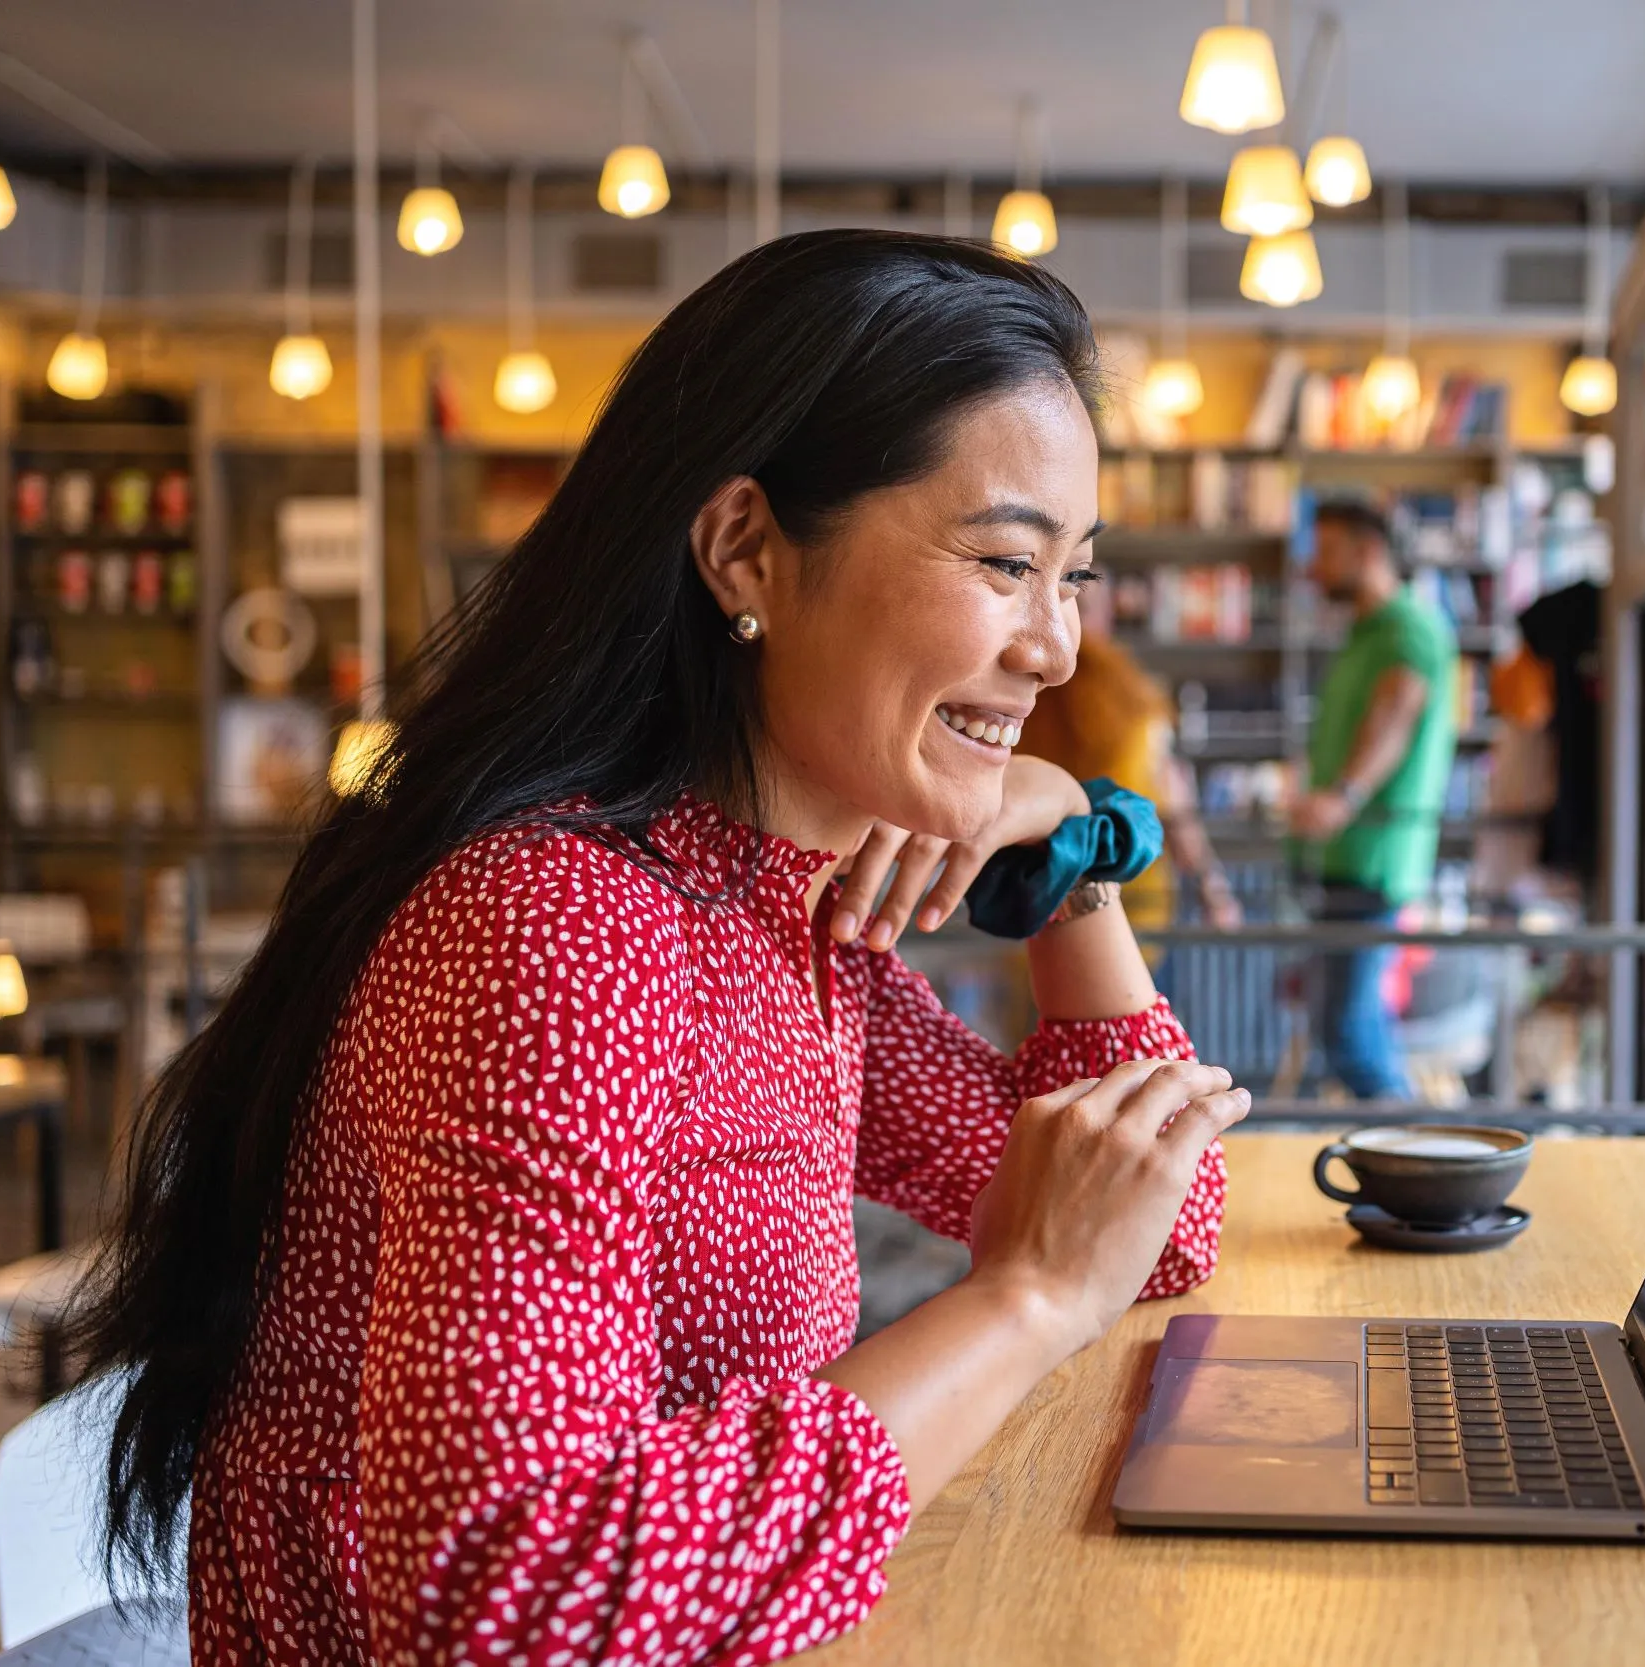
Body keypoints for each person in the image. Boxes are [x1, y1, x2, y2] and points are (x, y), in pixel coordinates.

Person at [67, 231, 1251, 1665]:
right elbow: (509, 1603)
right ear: (745, 545)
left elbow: (1157, 1218)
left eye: (1075, 574)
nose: (1055, 644)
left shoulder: (779, 911)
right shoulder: (559, 926)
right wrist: (1023, 1299)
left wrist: (1073, 848)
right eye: (1006, 560)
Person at [1286, 499, 1458, 1100]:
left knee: (1349, 1035)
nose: (1313, 567)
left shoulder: (1407, 626)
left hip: (1374, 860)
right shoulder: (1364, 631)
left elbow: (1398, 708)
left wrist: (1342, 796)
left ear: (1369, 552)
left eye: (1326, 552)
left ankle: (1419, 1162)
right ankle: (1410, 1160)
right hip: (1348, 858)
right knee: (1351, 1028)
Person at [1017, 580, 1243, 931]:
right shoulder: (1135, 704)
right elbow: (1175, 806)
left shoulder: (1019, 696)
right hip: (1127, 904)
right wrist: (1213, 892)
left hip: (1033, 902)